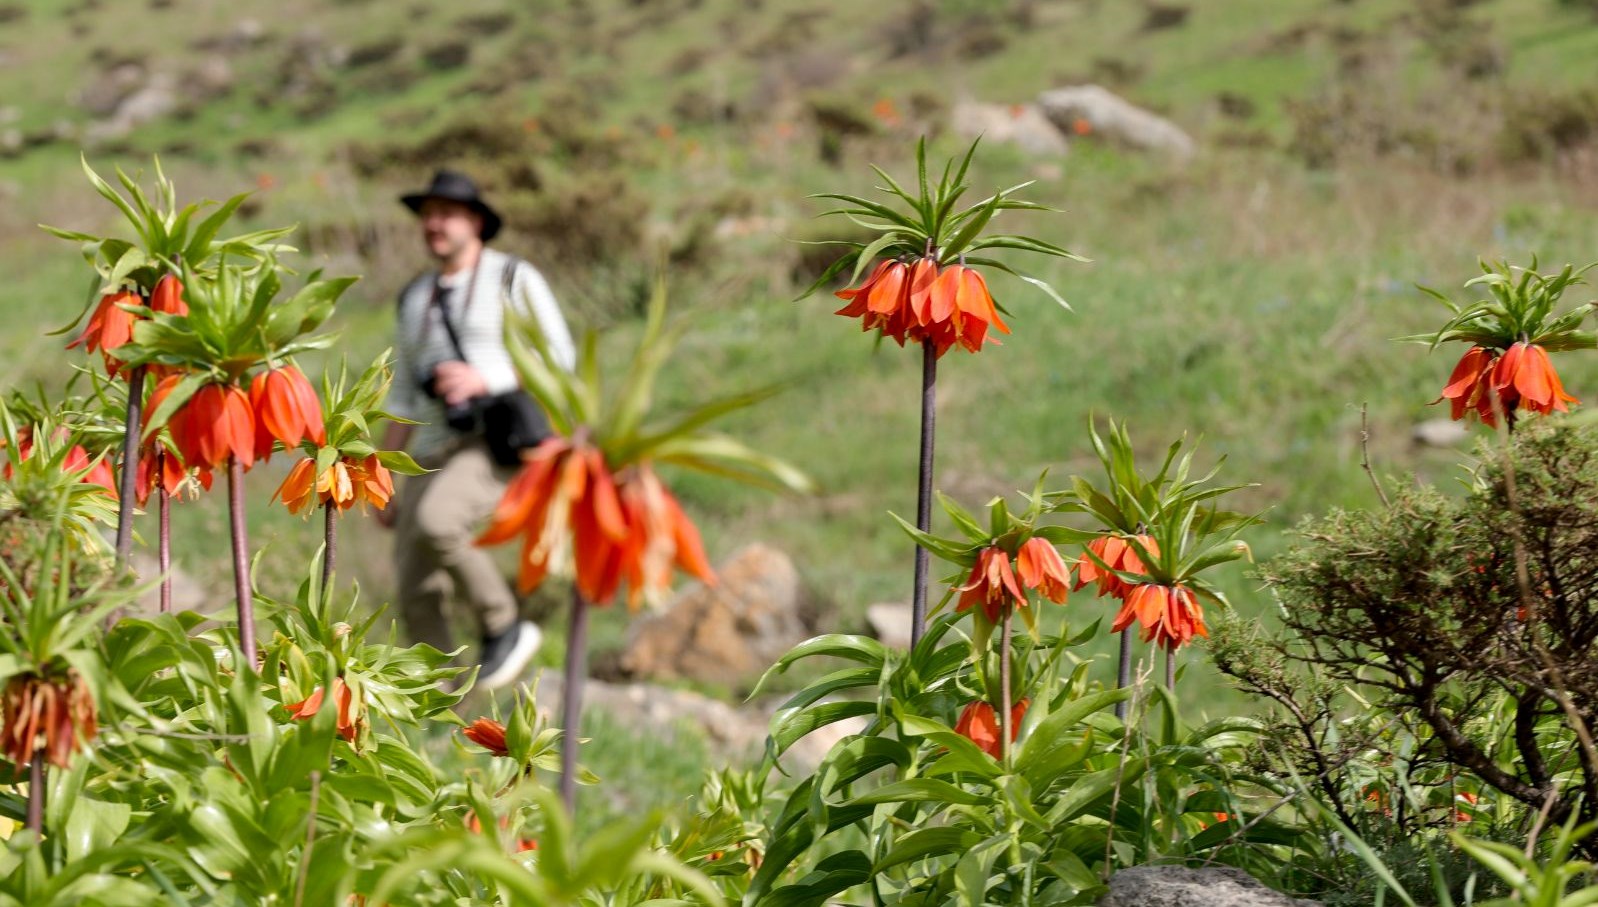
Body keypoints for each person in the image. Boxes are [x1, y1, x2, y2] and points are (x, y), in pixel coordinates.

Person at [377, 169, 575, 690]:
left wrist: (484, 378)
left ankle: (503, 623)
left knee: (439, 523)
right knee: (414, 586)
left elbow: (560, 356)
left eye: (446, 214)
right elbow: (402, 392)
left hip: (493, 438)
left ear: (477, 223)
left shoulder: (512, 277)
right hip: (430, 445)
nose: (433, 224)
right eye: (427, 215)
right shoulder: (414, 296)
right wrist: (380, 473)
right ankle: (444, 700)